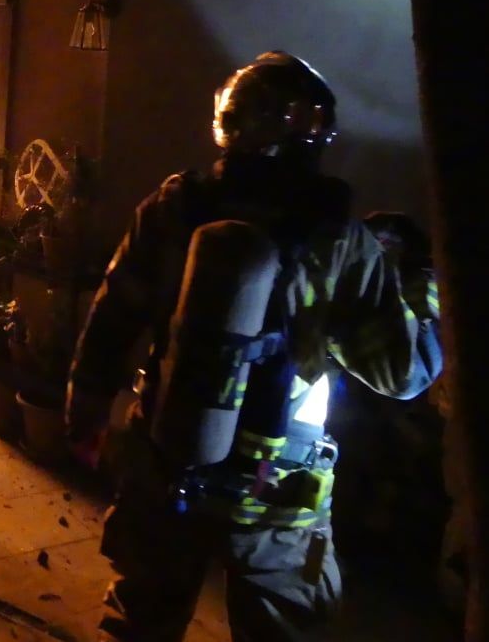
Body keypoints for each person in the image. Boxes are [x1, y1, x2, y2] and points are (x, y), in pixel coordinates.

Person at [65, 51, 442, 642]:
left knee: (138, 624)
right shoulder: (341, 239)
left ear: (230, 124)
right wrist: (422, 284)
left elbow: (114, 314)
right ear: (313, 133)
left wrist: (84, 415)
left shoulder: (173, 207)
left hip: (168, 470)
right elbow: (404, 373)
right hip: (277, 496)